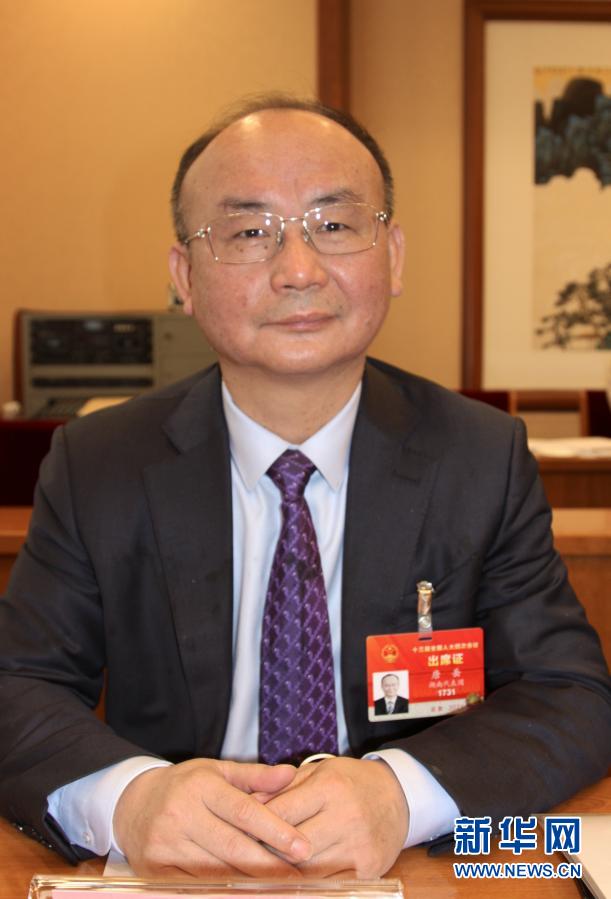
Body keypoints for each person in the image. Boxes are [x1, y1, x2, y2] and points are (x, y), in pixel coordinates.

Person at [0, 94, 610, 882]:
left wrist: (401, 792)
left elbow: (567, 693)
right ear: (184, 277)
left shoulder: (478, 456)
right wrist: (130, 798)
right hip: (175, 875)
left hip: (401, 866)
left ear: (392, 256)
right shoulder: (99, 462)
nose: (297, 269)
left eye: (334, 223)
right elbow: (19, 683)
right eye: (249, 232)